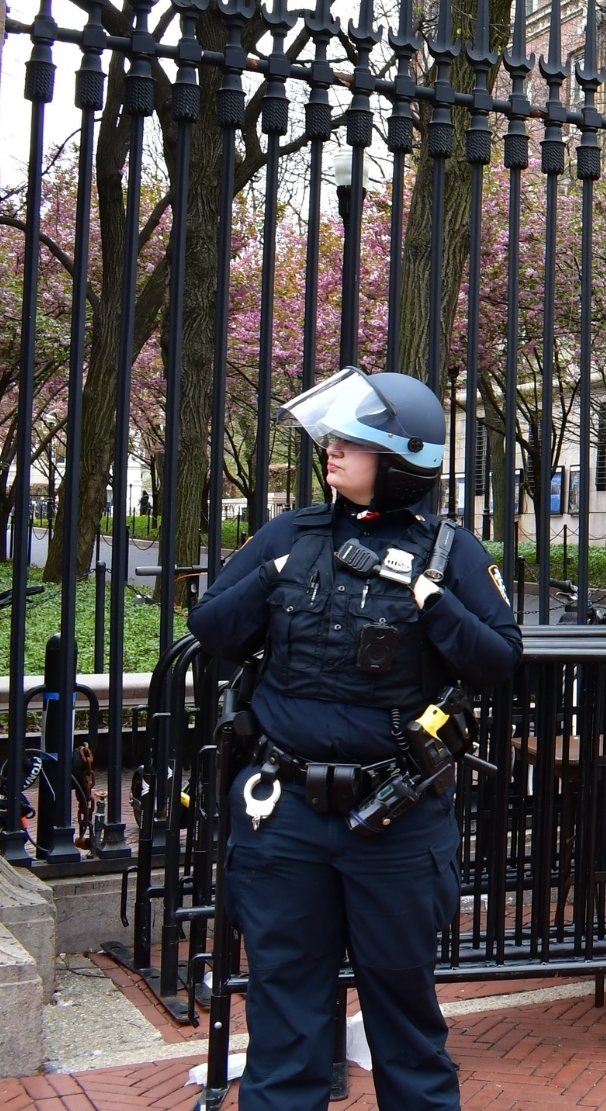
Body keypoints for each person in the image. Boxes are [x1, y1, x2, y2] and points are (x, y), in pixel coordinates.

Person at [189, 368, 522, 1110]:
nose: (331, 451)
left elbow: (499, 661)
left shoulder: (450, 552)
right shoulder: (290, 535)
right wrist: (269, 575)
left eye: (351, 442)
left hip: (396, 822)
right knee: (284, 1015)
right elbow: (211, 629)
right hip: (286, 817)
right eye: (333, 438)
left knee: (405, 1020)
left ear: (400, 460)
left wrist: (433, 604)